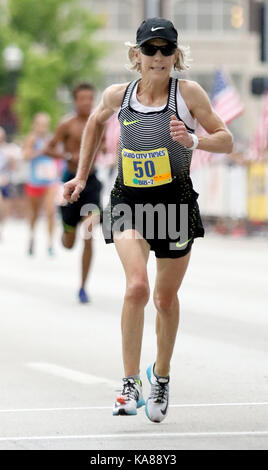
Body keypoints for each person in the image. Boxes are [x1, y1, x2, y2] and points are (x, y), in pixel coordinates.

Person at [63, 18, 233, 422]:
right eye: (150, 49)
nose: (158, 57)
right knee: (137, 286)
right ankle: (128, 383)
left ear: (175, 55)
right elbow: (94, 122)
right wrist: (82, 176)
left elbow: (226, 138)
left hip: (173, 206)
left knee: (164, 298)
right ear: (135, 55)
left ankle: (161, 375)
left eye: (165, 50)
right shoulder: (118, 95)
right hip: (128, 203)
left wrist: (194, 140)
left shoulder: (187, 94)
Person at [45, 83, 102, 303]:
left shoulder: (100, 122)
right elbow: (49, 148)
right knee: (69, 244)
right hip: (69, 183)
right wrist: (68, 157)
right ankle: (67, 226)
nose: (87, 102)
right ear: (75, 101)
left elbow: (108, 145)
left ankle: (83, 286)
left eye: (90, 98)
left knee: (88, 232)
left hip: (92, 182)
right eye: (83, 98)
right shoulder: (66, 124)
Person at [23, 113, 58, 256]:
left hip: (50, 181)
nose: (43, 127)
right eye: (40, 124)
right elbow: (25, 156)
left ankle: (50, 244)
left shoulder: (51, 138)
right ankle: (32, 237)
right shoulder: (32, 138)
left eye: (45, 124)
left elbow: (57, 154)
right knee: (34, 214)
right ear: (35, 124)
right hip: (34, 182)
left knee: (50, 212)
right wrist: (39, 151)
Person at [0, 127, 22, 239]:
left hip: (6, 180)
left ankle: (2, 227)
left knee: (5, 207)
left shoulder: (9, 149)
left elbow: (15, 168)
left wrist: (11, 160)